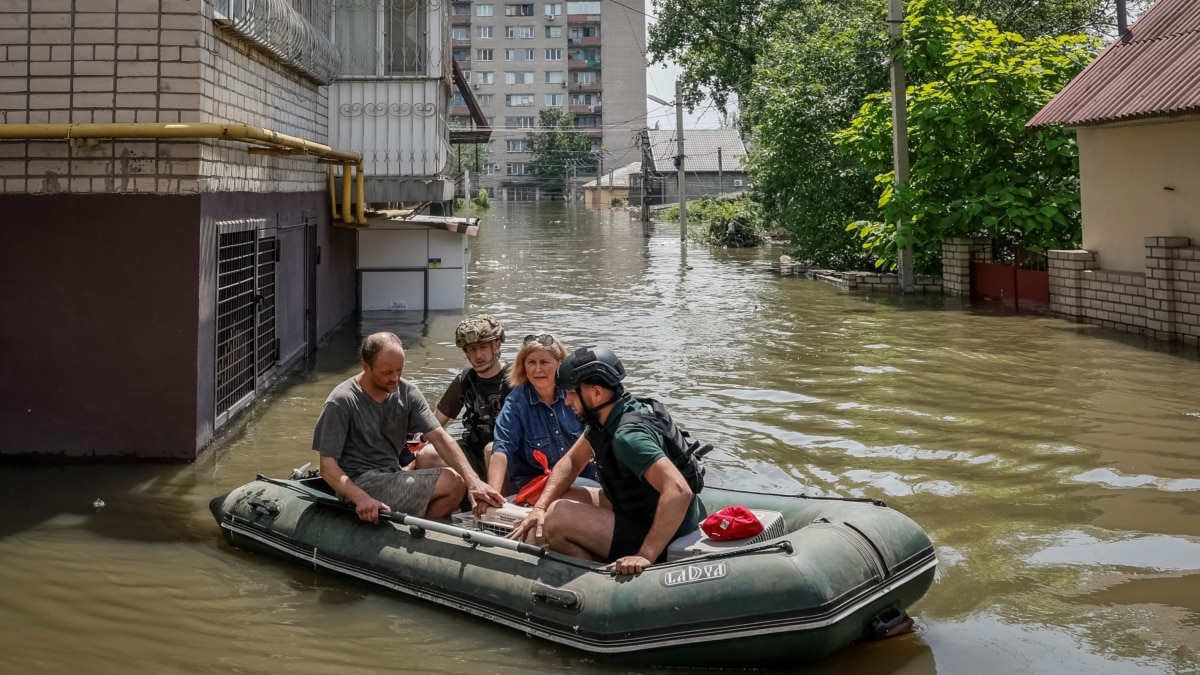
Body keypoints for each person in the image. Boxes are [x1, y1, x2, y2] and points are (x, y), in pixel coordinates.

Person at [508, 346, 706, 576]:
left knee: (557, 518)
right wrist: (539, 508)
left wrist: (645, 554)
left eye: (572, 392)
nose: (567, 401)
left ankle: (604, 583)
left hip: (665, 532)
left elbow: (679, 491)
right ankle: (601, 565)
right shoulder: (609, 417)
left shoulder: (627, 436)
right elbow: (571, 461)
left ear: (597, 393)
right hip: (640, 511)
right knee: (560, 497)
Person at [312, 332, 504, 523]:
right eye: (387, 372)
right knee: (453, 482)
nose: (395, 378)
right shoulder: (342, 401)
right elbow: (328, 467)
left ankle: (418, 533)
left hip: (393, 474)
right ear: (366, 366)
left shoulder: (408, 393)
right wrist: (361, 498)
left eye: (399, 370)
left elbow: (439, 437)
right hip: (360, 482)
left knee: (458, 479)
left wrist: (474, 481)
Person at [489, 333, 599, 505]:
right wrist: (492, 496)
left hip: (584, 479)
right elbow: (501, 449)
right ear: (523, 366)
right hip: (534, 486)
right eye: (531, 362)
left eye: (544, 362)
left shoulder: (576, 395)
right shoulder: (516, 403)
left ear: (560, 364)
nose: (537, 369)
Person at [433, 314, 513, 481]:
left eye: (483, 347)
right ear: (466, 353)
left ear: (497, 345)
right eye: (472, 349)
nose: (478, 356)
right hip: (474, 454)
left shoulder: (515, 377)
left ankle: (500, 504)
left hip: (509, 455)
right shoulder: (465, 381)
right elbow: (434, 424)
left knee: (492, 450)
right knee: (427, 455)